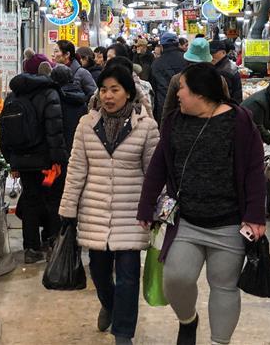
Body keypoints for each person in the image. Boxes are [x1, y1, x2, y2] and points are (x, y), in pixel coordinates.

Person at [137, 63, 266, 345]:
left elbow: (255, 169)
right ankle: (188, 320)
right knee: (176, 278)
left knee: (224, 286)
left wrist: (255, 215)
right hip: (186, 221)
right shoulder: (174, 120)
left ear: (200, 93)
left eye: (182, 88)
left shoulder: (240, 121)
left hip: (230, 223)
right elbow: (159, 165)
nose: (178, 94)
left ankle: (219, 341)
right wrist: (145, 205)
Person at [59, 66, 159, 345]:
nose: (108, 96)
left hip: (131, 213)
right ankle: (108, 303)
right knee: (99, 272)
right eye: (104, 89)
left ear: (129, 93)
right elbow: (76, 169)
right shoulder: (86, 125)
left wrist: (155, 211)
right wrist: (67, 211)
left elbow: (153, 173)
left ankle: (123, 333)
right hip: (94, 211)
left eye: (115, 89)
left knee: (128, 277)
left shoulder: (147, 127)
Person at [0, 53, 67, 264]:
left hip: (22, 159)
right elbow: (54, 130)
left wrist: (11, 160)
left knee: (30, 201)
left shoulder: (13, 95)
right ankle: (54, 244)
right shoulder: (49, 93)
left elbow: (3, 131)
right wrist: (58, 159)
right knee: (53, 200)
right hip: (45, 160)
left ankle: (30, 248)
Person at [160, 37, 222, 122]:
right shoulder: (218, 79)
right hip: (213, 124)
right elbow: (224, 105)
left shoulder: (177, 79)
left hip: (182, 125)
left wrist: (164, 131)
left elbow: (168, 109)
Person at [150, 31, 186, 121]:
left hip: (164, 107)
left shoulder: (156, 63)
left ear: (161, 47)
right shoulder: (186, 59)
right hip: (186, 104)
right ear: (177, 44)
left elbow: (152, 88)